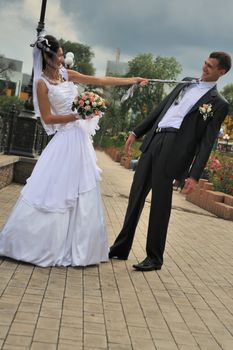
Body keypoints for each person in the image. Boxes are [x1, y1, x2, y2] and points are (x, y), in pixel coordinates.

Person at [0, 34, 147, 267]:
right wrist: (78, 114)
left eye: (61, 54)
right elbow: (48, 118)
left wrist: (132, 80)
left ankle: (80, 247)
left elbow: (100, 80)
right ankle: (35, 244)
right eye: (58, 55)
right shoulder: (41, 84)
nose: (62, 58)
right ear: (47, 58)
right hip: (64, 140)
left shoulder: (66, 75)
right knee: (56, 190)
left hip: (80, 140)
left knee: (82, 189)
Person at [109, 51, 231, 271]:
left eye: (210, 67)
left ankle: (154, 257)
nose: (204, 68)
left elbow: (207, 142)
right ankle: (121, 247)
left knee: (160, 204)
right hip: (155, 138)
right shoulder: (185, 83)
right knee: (135, 196)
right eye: (205, 63)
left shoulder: (219, 103)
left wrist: (194, 175)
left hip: (175, 150)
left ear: (221, 72)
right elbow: (161, 109)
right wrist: (136, 132)